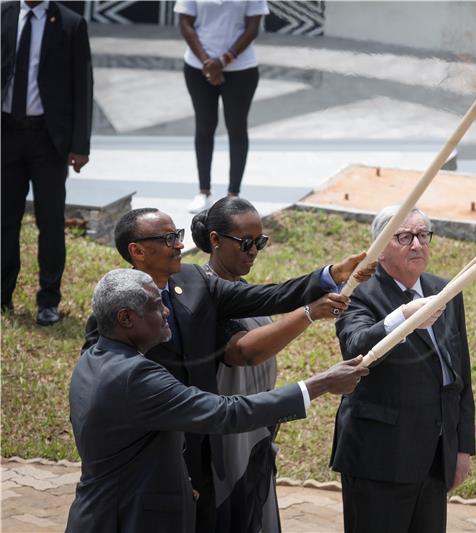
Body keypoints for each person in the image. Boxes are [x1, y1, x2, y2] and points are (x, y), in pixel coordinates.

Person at [83, 207, 374, 533]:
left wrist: (332, 274)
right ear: (136, 251)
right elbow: (93, 395)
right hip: (150, 471)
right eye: (168, 239)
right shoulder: (114, 313)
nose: (179, 245)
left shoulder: (194, 281)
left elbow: (268, 296)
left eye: (177, 236)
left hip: (205, 452)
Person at [190, 196, 361, 532]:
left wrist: (335, 275)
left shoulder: (240, 288)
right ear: (215, 240)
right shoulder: (202, 294)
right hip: (226, 441)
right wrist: (310, 313)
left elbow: (281, 294)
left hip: (257, 435)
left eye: (260, 243)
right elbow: (243, 353)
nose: (253, 251)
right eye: (246, 243)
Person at [331, 206, 476, 533]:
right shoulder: (356, 293)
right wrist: (402, 318)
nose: (417, 245)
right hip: (379, 458)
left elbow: (459, 375)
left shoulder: (445, 291)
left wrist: (462, 446)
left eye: (423, 235)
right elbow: (355, 349)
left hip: (434, 458)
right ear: (380, 250)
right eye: (405, 237)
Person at [1, 0, 93, 325]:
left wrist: (80, 145)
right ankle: (2, 296)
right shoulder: (4, 14)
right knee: (4, 219)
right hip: (6, 133)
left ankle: (48, 300)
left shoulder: (70, 23)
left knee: (50, 222)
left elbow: (83, 85)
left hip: (48, 140)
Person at [175, 0, 267, 213]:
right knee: (205, 127)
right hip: (198, 67)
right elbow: (185, 24)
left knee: (237, 128)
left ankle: (234, 195)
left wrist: (224, 60)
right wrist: (208, 63)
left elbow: (253, 27)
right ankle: (203, 191)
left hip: (241, 69)